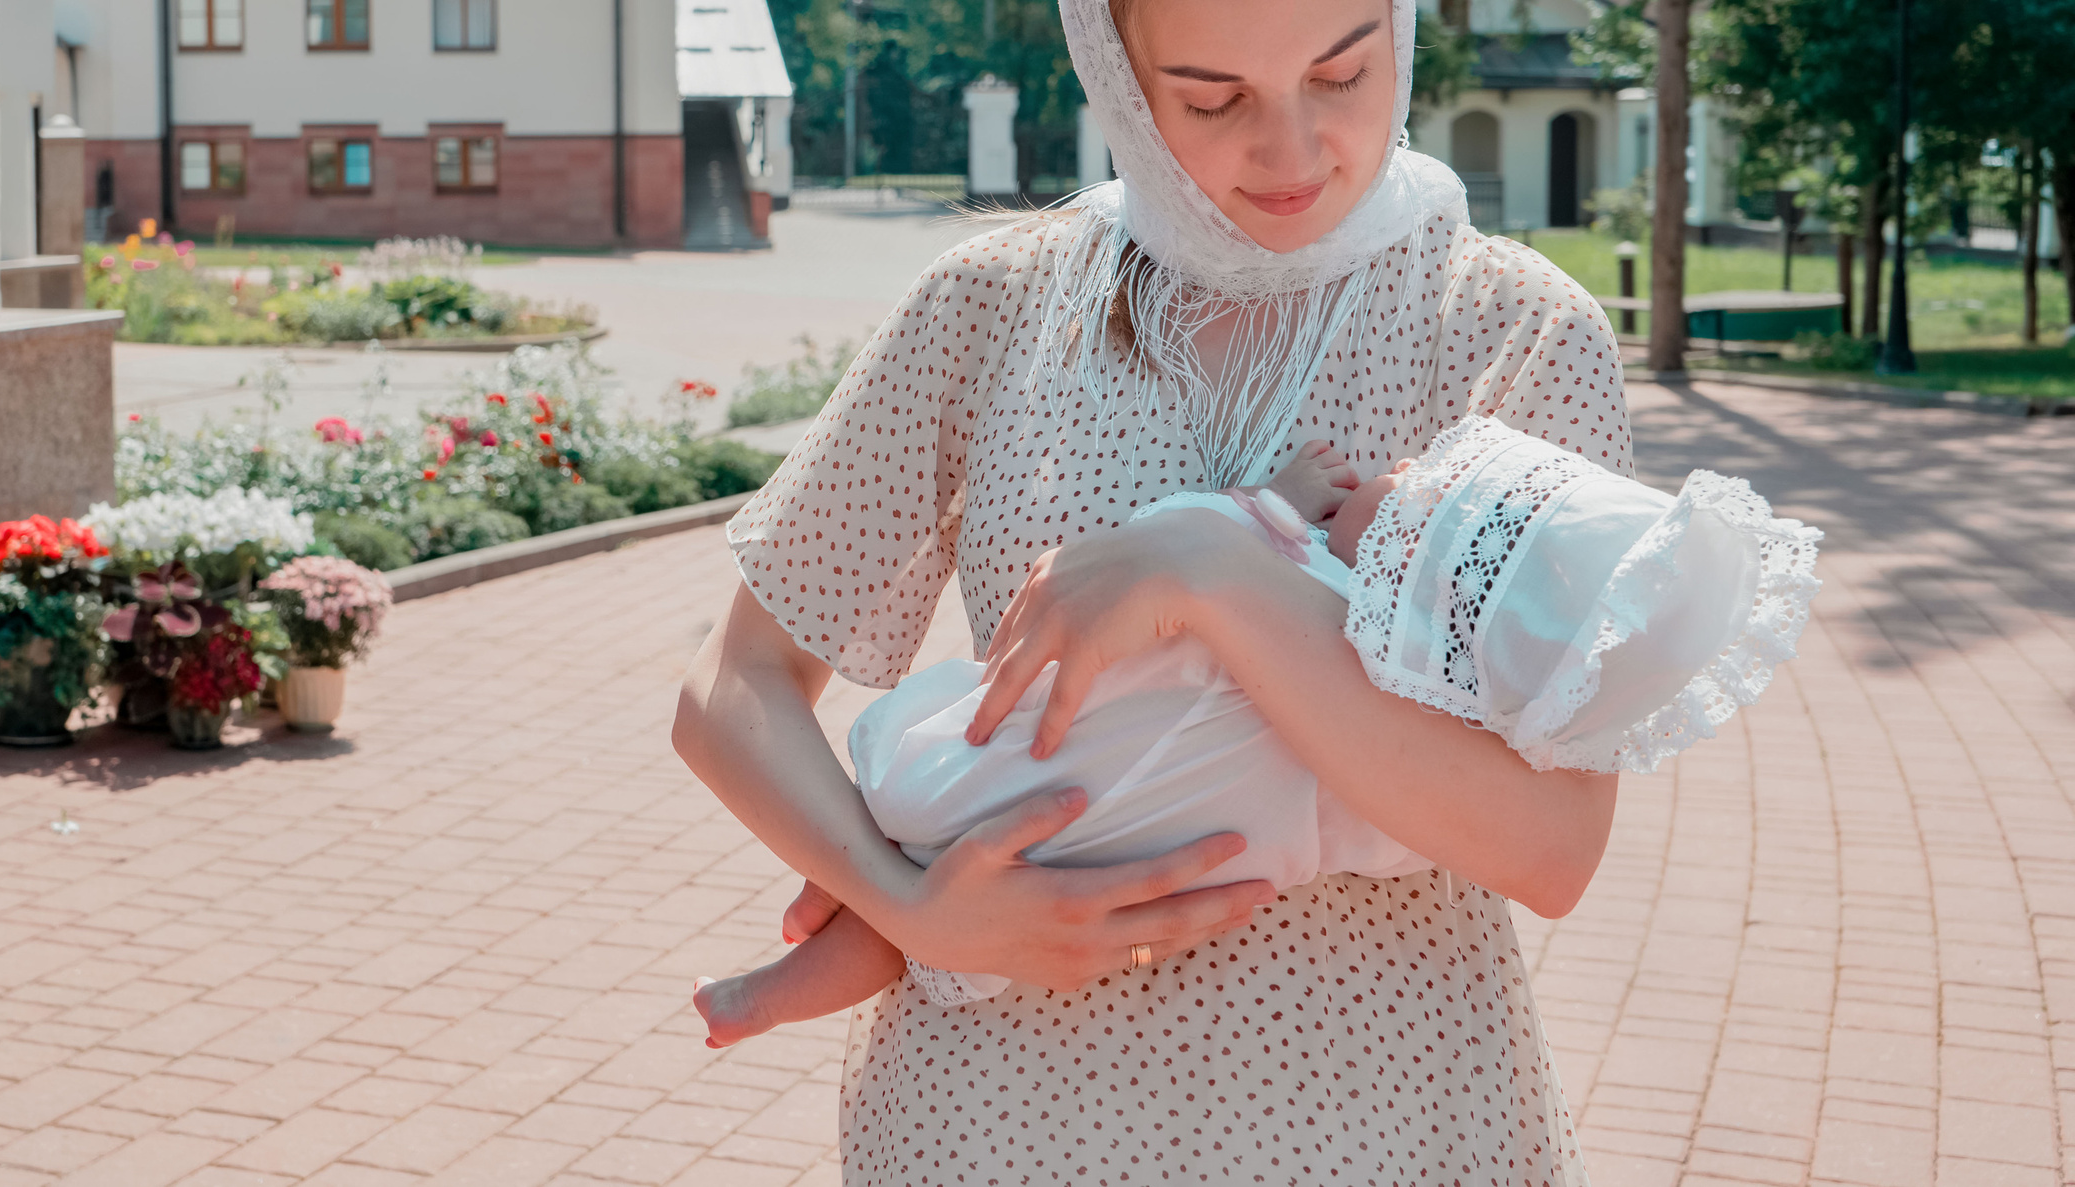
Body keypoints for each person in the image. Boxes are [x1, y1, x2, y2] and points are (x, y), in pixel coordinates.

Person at [674, 0, 1649, 1185]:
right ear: (1120, 80)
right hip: (997, 1128)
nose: (1293, 150)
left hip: (1383, 1124)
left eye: (1344, 73)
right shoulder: (991, 306)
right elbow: (734, 685)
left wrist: (1221, 578)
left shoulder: (1508, 331)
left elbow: (1551, 843)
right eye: (1212, 97)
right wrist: (914, 910)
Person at [691, 417, 1821, 1044]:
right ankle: (777, 984)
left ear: (1415, 570)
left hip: (975, 765)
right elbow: (1403, 835)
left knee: (906, 877)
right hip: (1074, 863)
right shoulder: (1393, 731)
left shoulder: (1298, 569)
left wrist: (1273, 500)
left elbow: (1186, 531)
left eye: (1413, 490)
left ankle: (801, 952)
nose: (1395, 465)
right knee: (913, 924)